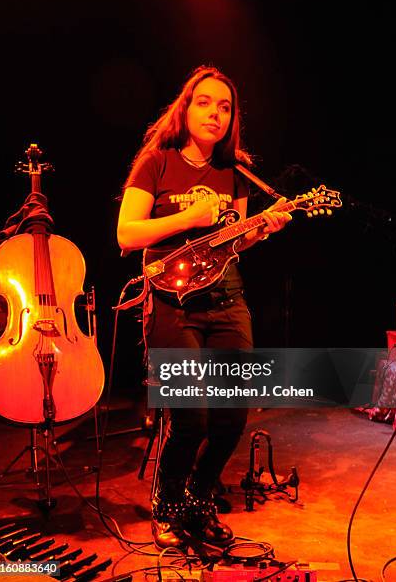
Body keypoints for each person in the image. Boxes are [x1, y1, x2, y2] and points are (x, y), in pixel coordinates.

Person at [117, 66, 291, 550]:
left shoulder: (236, 170)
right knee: (190, 417)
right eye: (205, 102)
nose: (215, 113)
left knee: (232, 413)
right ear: (186, 107)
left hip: (227, 301)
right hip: (173, 304)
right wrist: (188, 215)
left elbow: (228, 244)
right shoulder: (157, 162)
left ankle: (197, 498)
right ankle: (167, 504)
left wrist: (261, 228)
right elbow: (126, 234)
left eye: (225, 107)